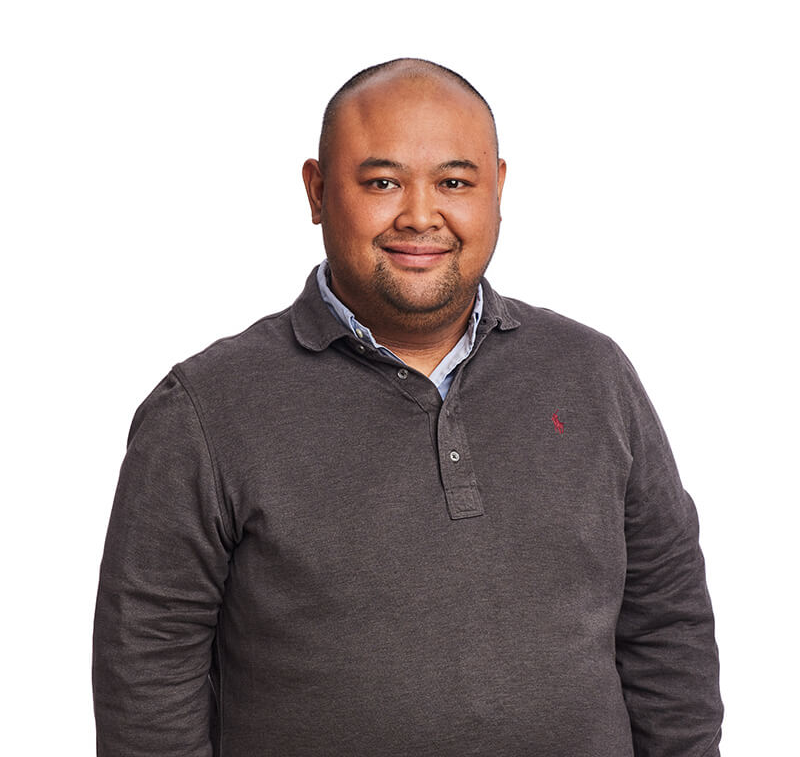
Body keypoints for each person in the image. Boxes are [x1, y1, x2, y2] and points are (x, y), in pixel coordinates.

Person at [93, 58, 723, 756]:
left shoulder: (593, 373)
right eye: (383, 182)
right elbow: (146, 674)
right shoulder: (205, 410)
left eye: (454, 183)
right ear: (317, 191)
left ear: (498, 189)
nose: (421, 216)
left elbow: (668, 625)